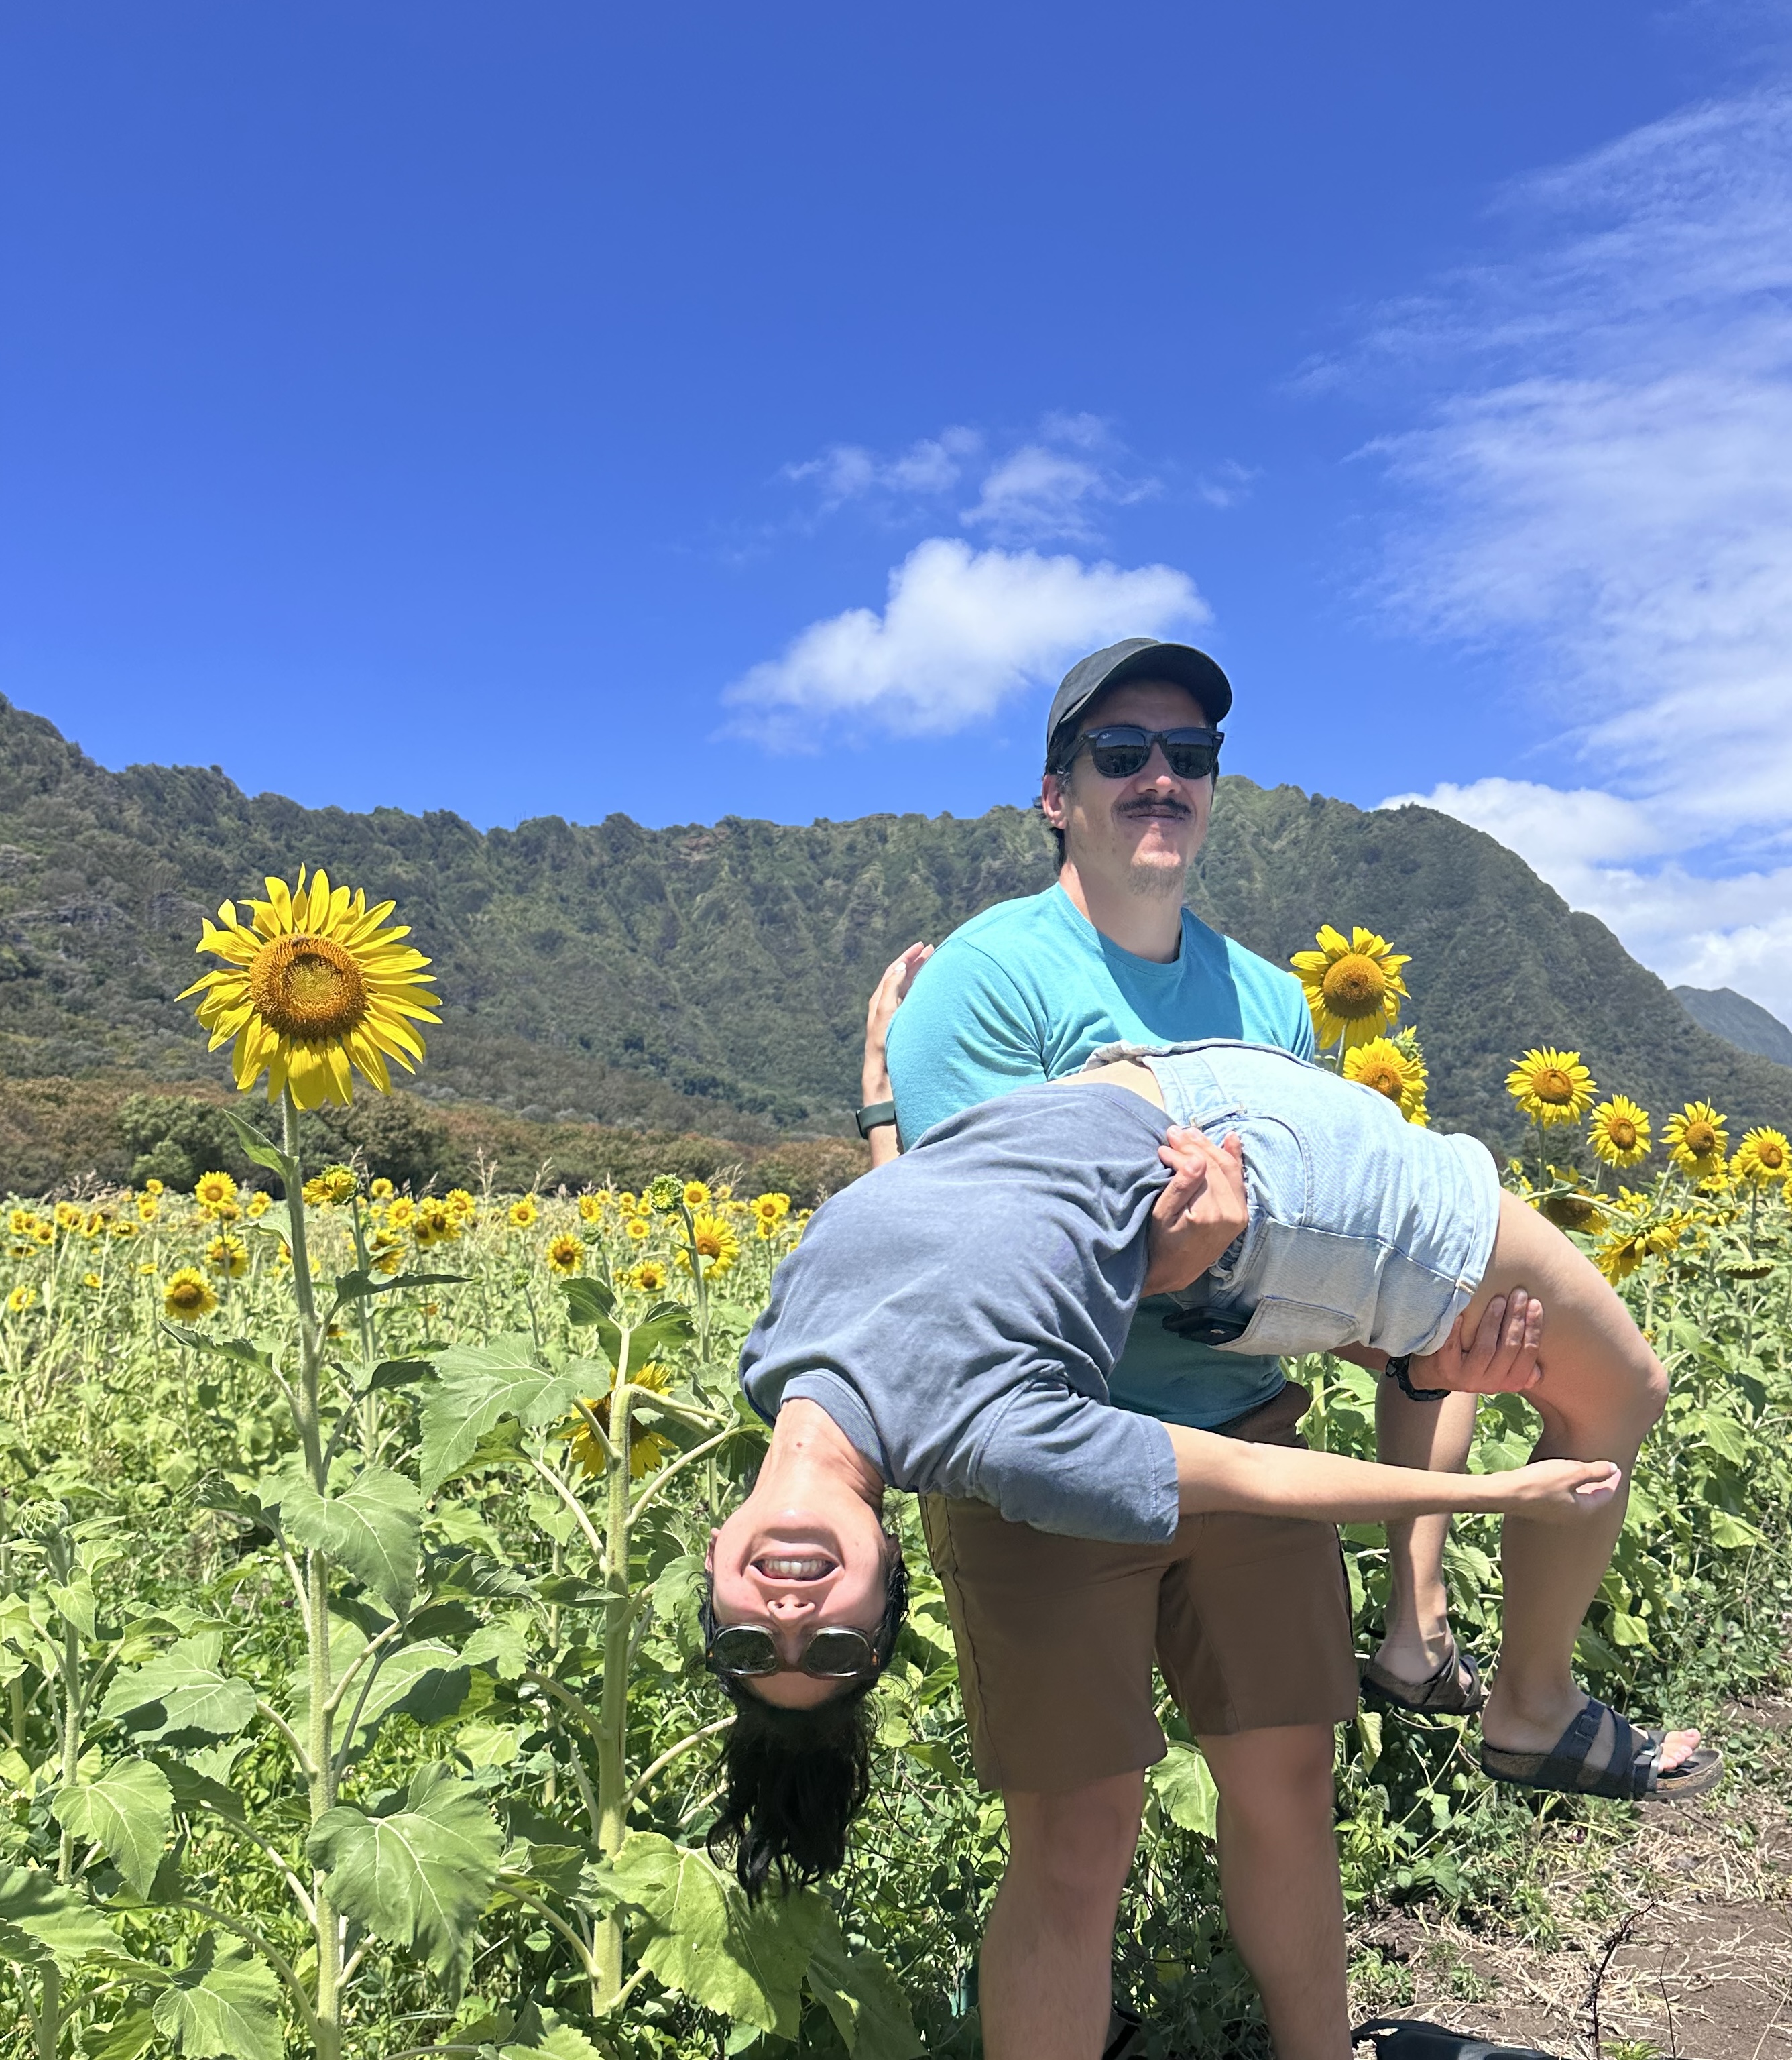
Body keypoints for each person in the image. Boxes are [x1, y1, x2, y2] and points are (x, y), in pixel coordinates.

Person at [844, 640, 1698, 2060]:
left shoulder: (1270, 1002)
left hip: (1250, 1448)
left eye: (1188, 755)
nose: (1159, 778)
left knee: (1290, 1782)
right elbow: (965, 1263)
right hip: (1052, 1462)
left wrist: (1426, 1355)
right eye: (1121, 754)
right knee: (1075, 1836)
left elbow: (1305, 1276)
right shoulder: (984, 987)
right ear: (1055, 793)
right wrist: (1166, 1259)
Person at [704, 1044, 1717, 1930]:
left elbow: (966, 1260)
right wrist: (1503, 1493)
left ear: (714, 1575)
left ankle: (1470, 1640)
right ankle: (1534, 1705)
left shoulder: (774, 1362)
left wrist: (883, 1099)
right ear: (888, 1572)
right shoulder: (1001, 1446)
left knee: (1465, 1357)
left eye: (751, 1643)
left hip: (1172, 1092)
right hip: (1269, 1175)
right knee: (1623, 1388)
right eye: (831, 1648)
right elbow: (1251, 1476)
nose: (791, 1616)